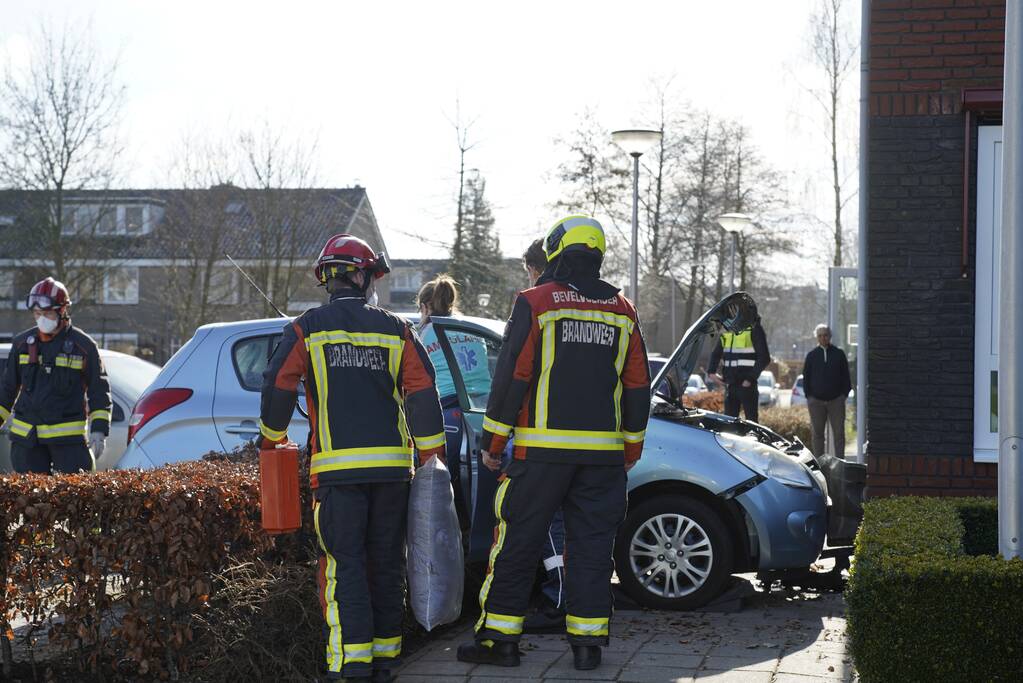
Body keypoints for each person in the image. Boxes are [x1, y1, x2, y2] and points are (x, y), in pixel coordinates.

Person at [457, 215, 650, 672]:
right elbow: (638, 384)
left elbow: (513, 374)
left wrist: (493, 439)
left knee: (518, 543)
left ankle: (500, 642)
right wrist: (631, 449)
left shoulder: (536, 301)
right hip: (602, 458)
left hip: (539, 456)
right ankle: (587, 647)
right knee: (591, 548)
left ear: (557, 252)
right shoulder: (623, 310)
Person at [259, 234, 445, 683]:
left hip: (337, 474)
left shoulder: (305, 328)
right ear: (363, 277)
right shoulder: (397, 329)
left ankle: (352, 661)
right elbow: (423, 394)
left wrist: (272, 440)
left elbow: (278, 386)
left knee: (344, 565)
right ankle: (385, 657)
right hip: (393, 473)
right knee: (385, 560)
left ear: (328, 277)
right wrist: (431, 460)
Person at [0, 277, 110, 474]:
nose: (42, 318)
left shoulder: (83, 346)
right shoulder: (22, 344)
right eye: (37, 313)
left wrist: (99, 430)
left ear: (62, 311)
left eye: (48, 313)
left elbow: (99, 390)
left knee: (72, 500)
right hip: (27, 444)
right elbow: (7, 390)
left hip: (68, 445)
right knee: (30, 501)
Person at [416, 275, 490, 467]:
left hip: (447, 410)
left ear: (424, 307)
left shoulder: (424, 333)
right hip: (483, 410)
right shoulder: (472, 328)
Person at [803, 324, 852, 459]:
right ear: (816, 337)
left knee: (839, 434)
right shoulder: (812, 356)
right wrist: (810, 397)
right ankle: (820, 464)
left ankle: (841, 463)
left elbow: (846, 377)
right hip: (816, 402)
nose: (823, 338)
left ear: (829, 336)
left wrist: (843, 395)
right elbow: (806, 377)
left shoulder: (839, 354)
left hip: (836, 401)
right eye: (820, 335)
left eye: (825, 335)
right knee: (817, 435)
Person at [708, 314, 770, 422]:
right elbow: (716, 353)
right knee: (729, 425)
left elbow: (764, 358)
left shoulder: (754, 329)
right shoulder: (727, 331)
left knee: (752, 424)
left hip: (747, 386)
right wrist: (711, 372)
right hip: (730, 385)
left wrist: (750, 379)